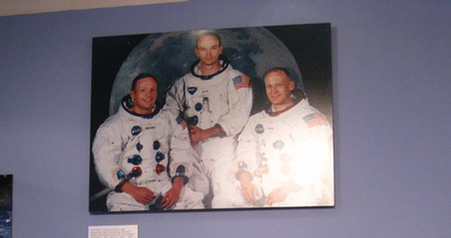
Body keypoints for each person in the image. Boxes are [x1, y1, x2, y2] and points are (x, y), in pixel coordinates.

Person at [164, 31, 253, 207]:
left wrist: (205, 133)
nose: (208, 54)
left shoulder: (236, 79)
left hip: (223, 148)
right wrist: (184, 132)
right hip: (193, 148)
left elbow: (239, 115)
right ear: (197, 52)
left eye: (213, 48)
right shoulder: (183, 83)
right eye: (203, 49)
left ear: (220, 49)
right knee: (187, 200)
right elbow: (169, 112)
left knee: (228, 199)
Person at [92, 73, 204, 211]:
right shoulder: (114, 126)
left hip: (164, 184)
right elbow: (105, 162)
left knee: (193, 205)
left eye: (153, 90)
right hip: (130, 187)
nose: (149, 95)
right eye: (143, 90)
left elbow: (181, 152)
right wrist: (132, 190)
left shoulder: (169, 120)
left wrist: (176, 188)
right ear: (133, 94)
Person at [235, 67, 333, 207]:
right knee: (228, 201)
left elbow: (317, 162)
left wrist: (286, 189)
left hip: (302, 189)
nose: (273, 91)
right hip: (265, 187)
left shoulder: (311, 119)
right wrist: (245, 181)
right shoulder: (257, 121)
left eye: (279, 85)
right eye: (269, 86)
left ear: (291, 85)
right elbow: (246, 149)